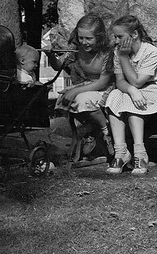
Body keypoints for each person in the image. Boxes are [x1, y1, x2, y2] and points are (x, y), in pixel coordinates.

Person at [105, 15, 157, 175]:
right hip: (131, 90)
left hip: (155, 90)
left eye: (120, 37)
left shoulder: (150, 51)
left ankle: (140, 153)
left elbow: (139, 82)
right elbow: (120, 81)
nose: (116, 41)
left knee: (130, 103)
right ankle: (121, 152)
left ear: (134, 35)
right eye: (115, 37)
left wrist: (124, 57)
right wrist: (132, 91)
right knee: (114, 97)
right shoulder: (118, 51)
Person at [45, 14, 114, 155]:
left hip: (105, 88)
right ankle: (90, 131)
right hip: (87, 85)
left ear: (99, 37)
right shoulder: (77, 50)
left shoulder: (107, 52)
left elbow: (103, 82)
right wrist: (50, 55)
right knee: (63, 99)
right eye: (81, 37)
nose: (84, 42)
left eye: (89, 38)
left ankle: (106, 131)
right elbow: (58, 66)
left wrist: (75, 91)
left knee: (82, 100)